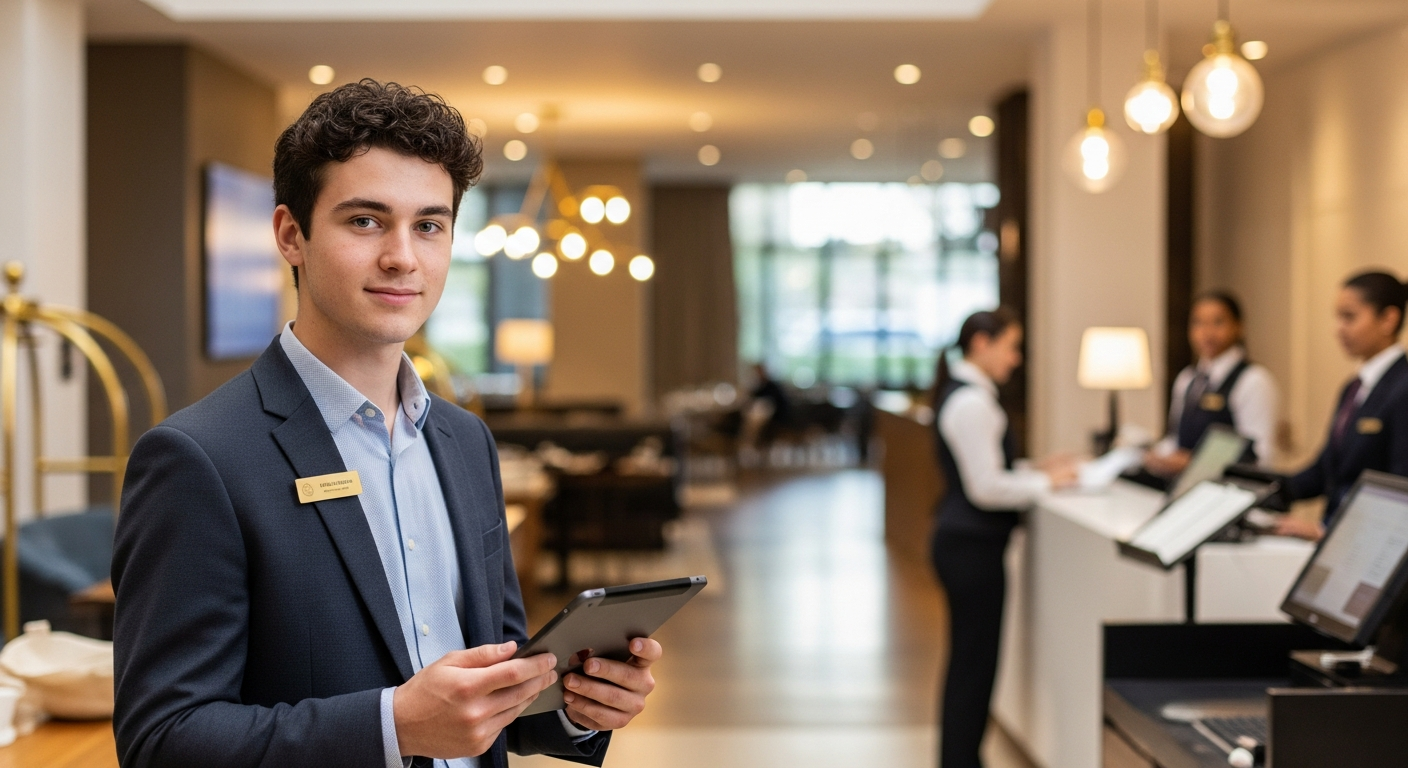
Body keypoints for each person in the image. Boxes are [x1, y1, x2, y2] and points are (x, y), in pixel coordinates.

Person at [112, 80, 660, 768]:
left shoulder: (465, 442)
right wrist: (391, 727)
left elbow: (494, 686)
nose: (404, 256)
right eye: (366, 221)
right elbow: (163, 742)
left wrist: (577, 708)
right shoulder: (199, 459)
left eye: (429, 225)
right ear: (292, 235)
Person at [929, 308, 1077, 768]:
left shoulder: (968, 396)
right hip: (970, 549)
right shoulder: (973, 402)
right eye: (1011, 347)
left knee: (970, 663)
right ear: (981, 343)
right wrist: (1046, 484)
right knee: (974, 666)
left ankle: (961, 757)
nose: (1016, 360)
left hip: (963, 544)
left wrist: (1033, 469)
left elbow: (987, 469)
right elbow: (986, 488)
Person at [1279, 271, 1408, 541]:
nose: (1338, 328)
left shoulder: (1402, 387)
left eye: (1349, 317)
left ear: (1388, 319)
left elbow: (1399, 490)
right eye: (1338, 317)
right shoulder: (1353, 388)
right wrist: (1264, 492)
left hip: (1370, 548)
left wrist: (1326, 532)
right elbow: (1326, 468)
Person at [1145, 291, 1279, 476]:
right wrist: (1156, 456)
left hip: (1225, 491)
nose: (1207, 332)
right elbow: (1176, 439)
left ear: (1238, 327)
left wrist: (1195, 463)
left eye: (1218, 322)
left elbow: (1260, 456)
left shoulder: (1253, 380)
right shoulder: (1187, 379)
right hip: (1183, 487)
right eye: (1198, 323)